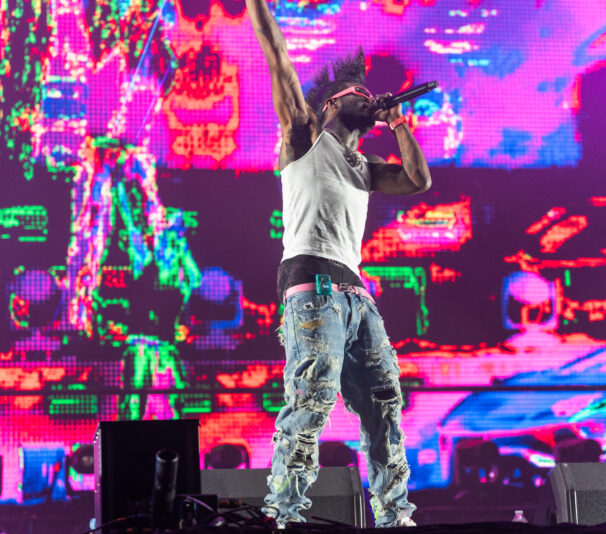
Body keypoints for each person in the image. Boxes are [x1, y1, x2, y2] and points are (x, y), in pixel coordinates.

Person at [245, 0, 432, 527]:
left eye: (373, 97)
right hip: (313, 285)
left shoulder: (365, 166)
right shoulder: (304, 135)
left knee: (384, 404)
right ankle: (285, 515)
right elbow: (276, 53)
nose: (370, 99)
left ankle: (395, 516)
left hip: (356, 294)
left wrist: (397, 123)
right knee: (312, 399)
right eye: (360, 94)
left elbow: (418, 180)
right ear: (332, 102)